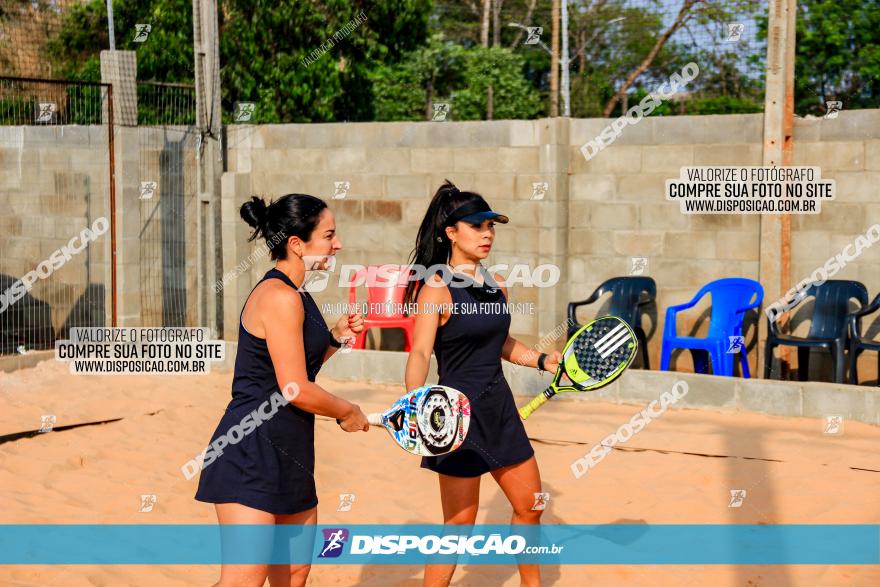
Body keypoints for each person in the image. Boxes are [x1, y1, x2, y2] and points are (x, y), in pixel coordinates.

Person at [195, 193, 369, 587]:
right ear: (296, 244)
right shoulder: (278, 297)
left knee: (294, 572)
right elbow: (295, 389)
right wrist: (346, 410)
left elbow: (297, 371)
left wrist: (335, 338)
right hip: (249, 449)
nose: (337, 244)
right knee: (245, 579)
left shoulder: (300, 295)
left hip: (291, 448)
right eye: (329, 235)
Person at [403, 180, 562, 587]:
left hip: (499, 410)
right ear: (451, 233)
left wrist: (541, 359)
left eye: (491, 225)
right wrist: (414, 403)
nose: (488, 233)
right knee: (458, 527)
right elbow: (420, 353)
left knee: (531, 506)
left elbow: (501, 342)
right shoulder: (436, 289)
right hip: (454, 416)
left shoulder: (496, 285)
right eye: (477, 226)